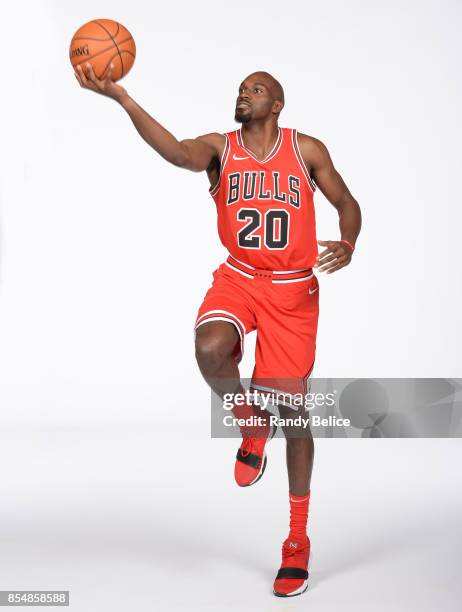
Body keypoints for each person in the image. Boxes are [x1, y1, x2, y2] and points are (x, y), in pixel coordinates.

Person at [74, 63, 362, 597]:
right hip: (239, 277)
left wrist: (347, 242)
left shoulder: (306, 149)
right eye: (241, 89)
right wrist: (125, 100)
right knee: (210, 348)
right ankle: (249, 419)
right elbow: (177, 153)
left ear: (277, 104)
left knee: (294, 411)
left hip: (293, 291)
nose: (244, 94)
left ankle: (296, 538)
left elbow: (347, 203)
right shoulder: (219, 149)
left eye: (256, 90)